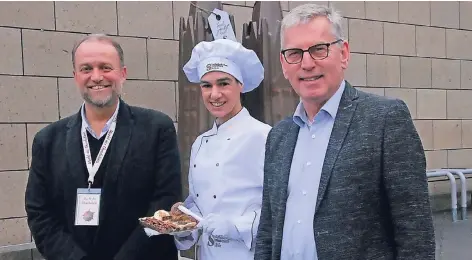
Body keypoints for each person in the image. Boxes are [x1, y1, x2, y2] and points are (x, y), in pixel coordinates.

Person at [254, 4, 435, 260]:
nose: (307, 63)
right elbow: (268, 229)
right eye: (294, 53)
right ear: (284, 64)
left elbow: (414, 229)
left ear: (344, 53)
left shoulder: (384, 119)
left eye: (319, 49)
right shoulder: (279, 137)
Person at [25, 34, 182, 260]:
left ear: (123, 73)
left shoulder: (157, 129)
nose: (96, 77)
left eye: (105, 67)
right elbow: (39, 212)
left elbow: (165, 204)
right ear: (75, 76)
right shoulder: (48, 140)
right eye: (86, 68)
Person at [167, 39, 271, 259]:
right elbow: (199, 203)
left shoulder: (264, 136)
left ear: (240, 85)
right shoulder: (200, 143)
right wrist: (184, 222)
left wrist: (236, 226)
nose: (214, 94)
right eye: (207, 85)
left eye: (223, 83)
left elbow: (280, 207)